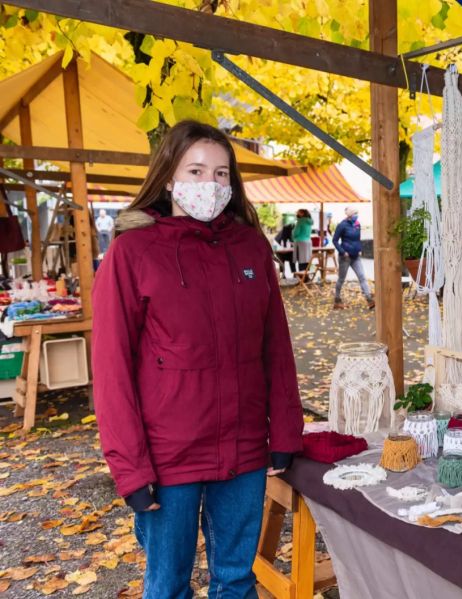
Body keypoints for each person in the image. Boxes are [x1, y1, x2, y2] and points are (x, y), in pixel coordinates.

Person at [92, 120, 303, 597]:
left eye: (222, 174)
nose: (210, 184)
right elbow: (111, 370)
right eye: (196, 170)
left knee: (236, 580)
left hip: (245, 448)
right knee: (167, 586)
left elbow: (276, 347)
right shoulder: (132, 252)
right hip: (168, 457)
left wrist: (286, 430)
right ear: (168, 177)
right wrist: (129, 467)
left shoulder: (250, 246)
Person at [332, 206, 374, 310]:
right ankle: (337, 300)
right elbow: (335, 240)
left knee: (362, 277)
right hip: (345, 257)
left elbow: (358, 239)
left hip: (356, 256)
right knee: (341, 279)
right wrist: (343, 252)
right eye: (355, 213)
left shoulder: (357, 224)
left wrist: (359, 249)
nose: (357, 215)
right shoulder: (342, 225)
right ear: (350, 215)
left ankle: (369, 300)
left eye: (357, 213)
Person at [292, 208, 314, 273]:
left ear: (302, 214)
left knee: (301, 261)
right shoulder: (309, 221)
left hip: (300, 242)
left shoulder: (300, 221)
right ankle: (307, 277)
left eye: (298, 212)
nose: (297, 214)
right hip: (308, 242)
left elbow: (296, 233)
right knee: (307, 260)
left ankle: (302, 278)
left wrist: (293, 232)